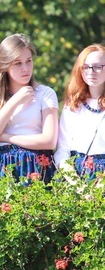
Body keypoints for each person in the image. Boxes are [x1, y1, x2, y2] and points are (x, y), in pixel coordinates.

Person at [0, 34, 58, 182]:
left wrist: (6, 137)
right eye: (17, 63)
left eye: (28, 61)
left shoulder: (45, 93)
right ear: (5, 65)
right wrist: (15, 101)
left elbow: (49, 140)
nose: (25, 68)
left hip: (35, 166)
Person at [54, 44, 105, 180]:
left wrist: (100, 184)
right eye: (86, 66)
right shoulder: (72, 104)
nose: (91, 71)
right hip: (75, 176)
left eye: (98, 67)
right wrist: (77, 186)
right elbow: (62, 151)